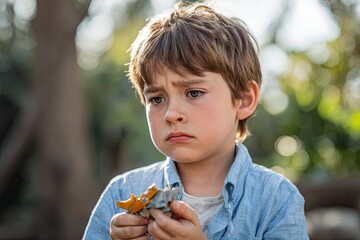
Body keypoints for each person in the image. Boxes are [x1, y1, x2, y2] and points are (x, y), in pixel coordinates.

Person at [83, 2, 308, 240]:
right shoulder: (122, 193)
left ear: (243, 100)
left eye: (194, 93)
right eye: (157, 98)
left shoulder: (276, 199)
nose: (171, 114)